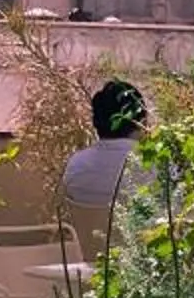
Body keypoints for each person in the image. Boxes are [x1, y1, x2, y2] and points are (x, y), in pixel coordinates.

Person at [60, 78, 148, 213]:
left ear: (97, 123)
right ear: (142, 122)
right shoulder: (156, 166)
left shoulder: (76, 164)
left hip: (86, 233)